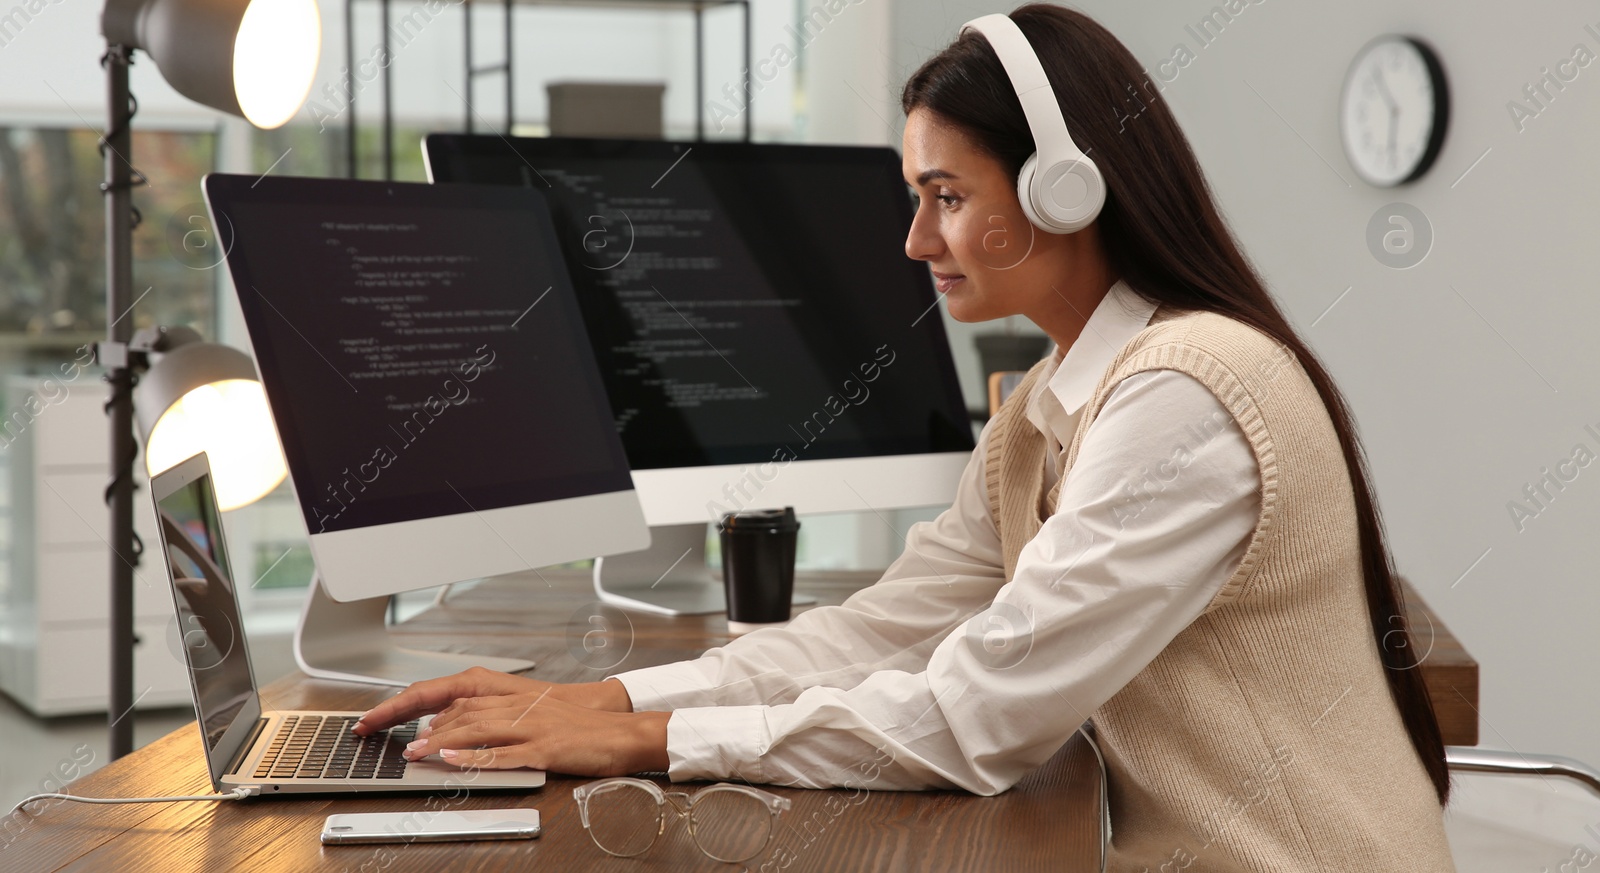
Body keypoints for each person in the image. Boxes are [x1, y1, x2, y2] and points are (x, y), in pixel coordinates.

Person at [355, 6, 1455, 869]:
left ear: (1064, 191)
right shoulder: (1047, 407)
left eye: (944, 194)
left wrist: (650, 745)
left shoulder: (1188, 396)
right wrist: (605, 700)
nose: (914, 236)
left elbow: (975, 718)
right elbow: (882, 632)